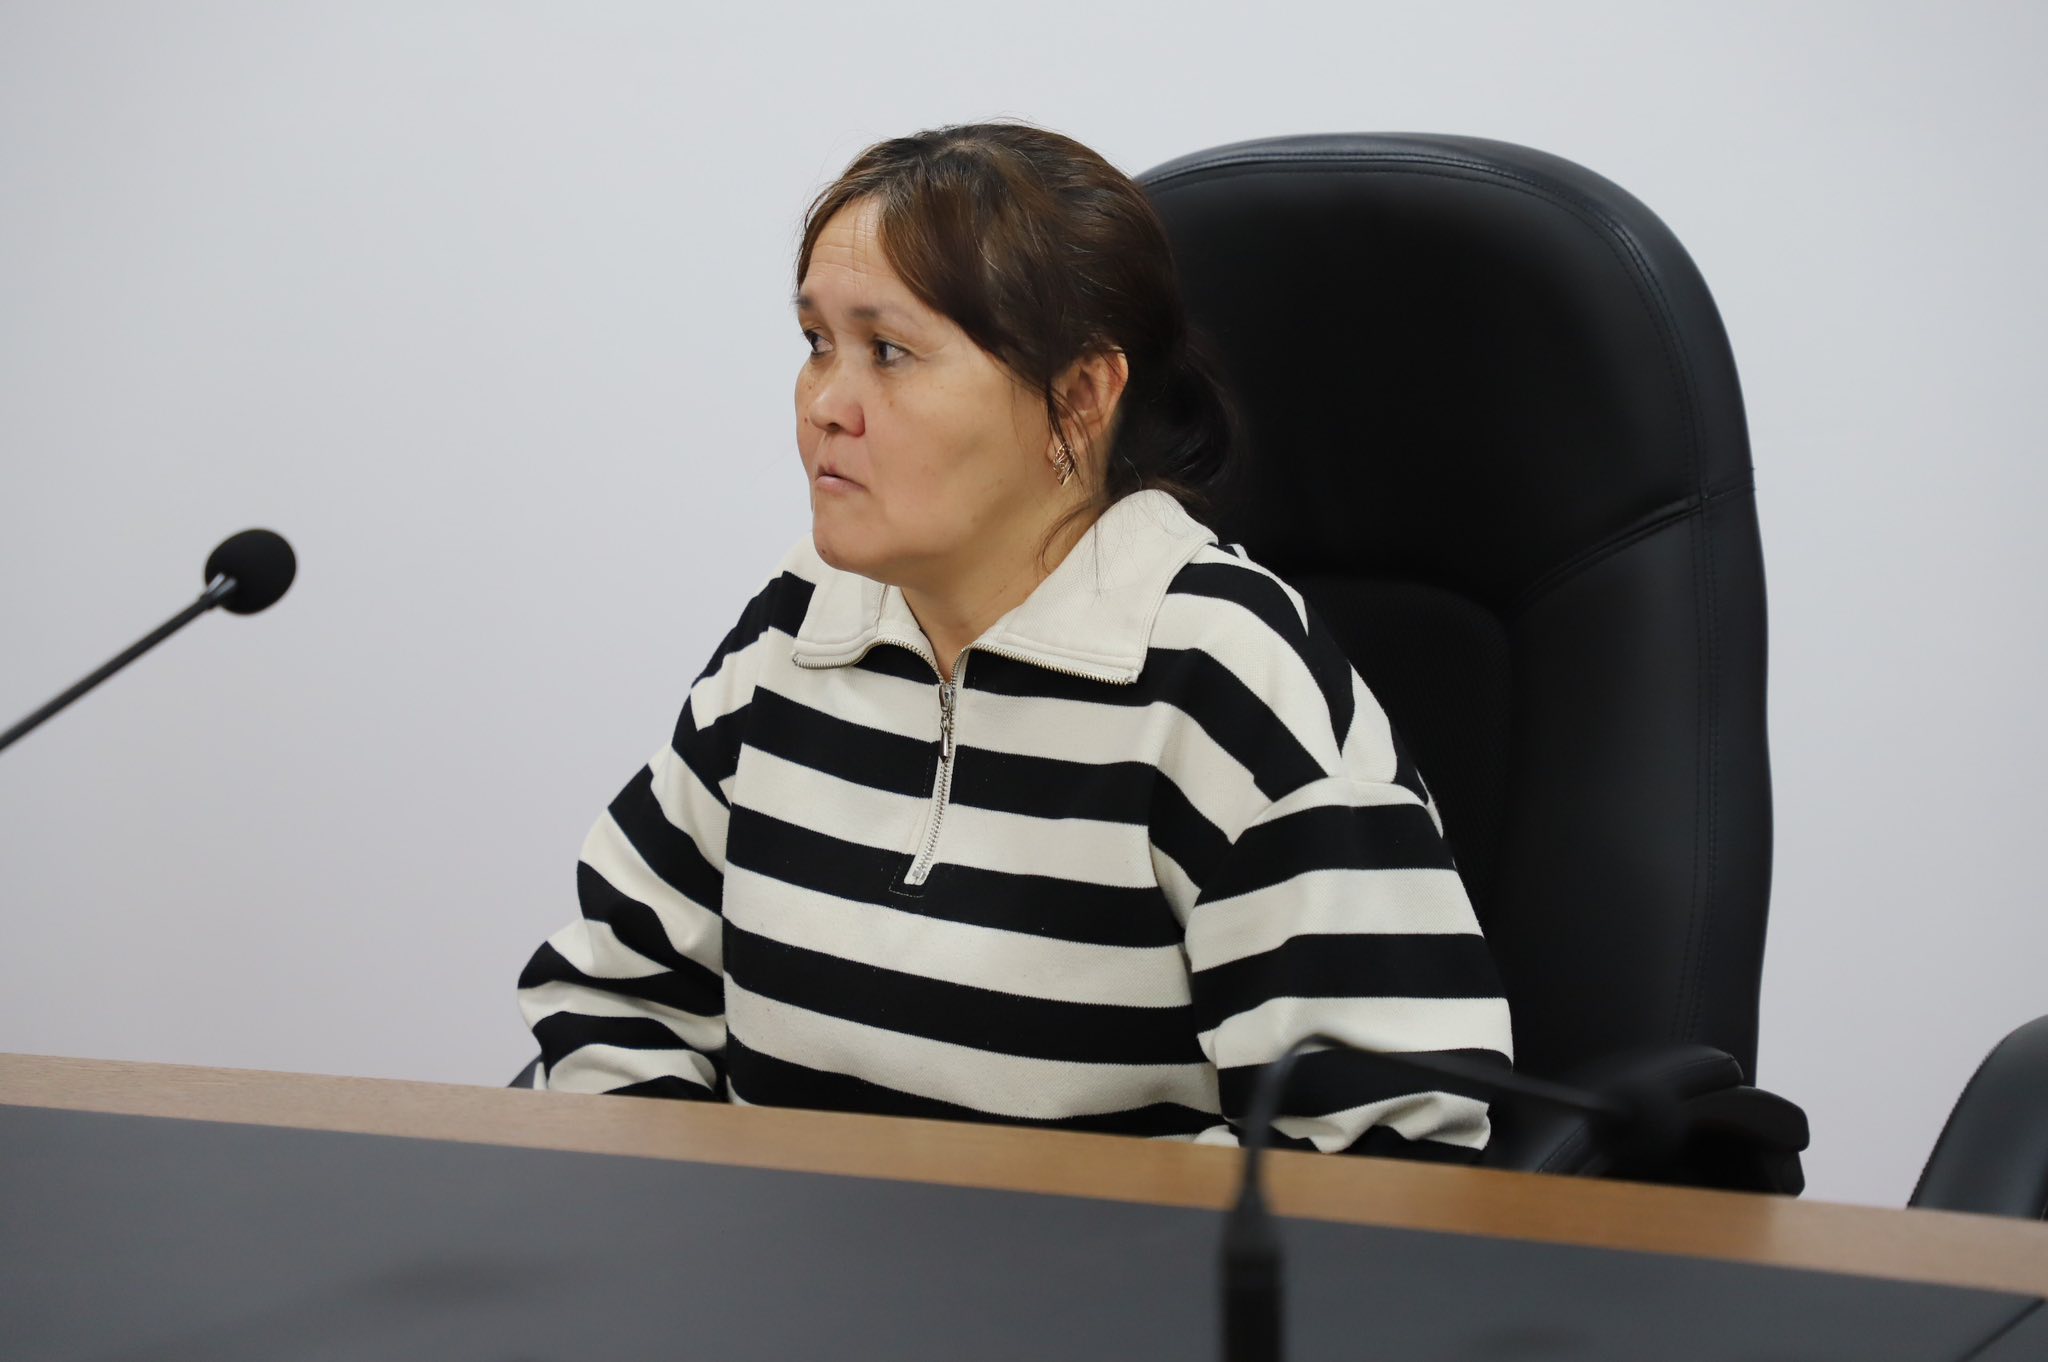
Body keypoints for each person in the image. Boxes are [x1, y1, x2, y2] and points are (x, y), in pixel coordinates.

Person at [516, 120, 1514, 1161]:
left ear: (1077, 400)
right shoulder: (800, 624)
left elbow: (1389, 1148)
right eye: (816, 344)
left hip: (1104, 1272)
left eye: (888, 352)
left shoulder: (1222, 679)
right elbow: (613, 993)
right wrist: (688, 1222)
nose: (825, 406)